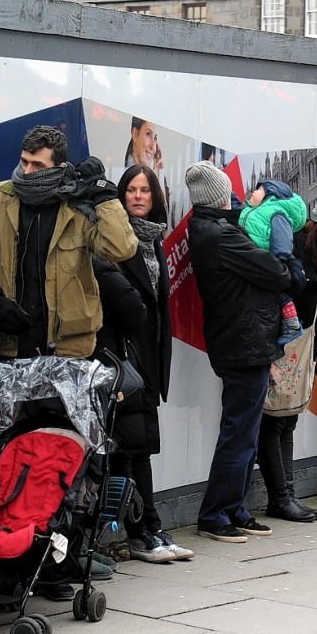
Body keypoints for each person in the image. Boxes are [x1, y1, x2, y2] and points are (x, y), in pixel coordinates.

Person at [185, 161, 303, 542]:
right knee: (239, 433)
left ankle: (234, 507)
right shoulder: (221, 235)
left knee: (245, 433)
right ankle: (216, 513)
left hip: (243, 340)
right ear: (220, 197)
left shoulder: (213, 227)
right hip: (243, 342)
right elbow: (278, 273)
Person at [0, 125, 137, 364]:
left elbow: (121, 248)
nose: (28, 171)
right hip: (8, 345)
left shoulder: (79, 205)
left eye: (38, 165)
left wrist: (105, 197)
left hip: (67, 351)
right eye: (24, 162)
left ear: (59, 168)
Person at [98, 165, 193, 562]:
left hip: (148, 357)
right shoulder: (112, 243)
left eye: (145, 191)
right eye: (131, 191)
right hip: (123, 359)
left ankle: (149, 527)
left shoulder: (155, 241)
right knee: (128, 448)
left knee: (142, 447)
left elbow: (158, 307)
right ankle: (136, 531)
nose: (138, 196)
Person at [259, 197, 317, 523]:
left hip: (305, 345)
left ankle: (286, 495)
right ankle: (281, 497)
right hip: (285, 345)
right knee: (275, 420)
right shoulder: (297, 250)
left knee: (288, 419)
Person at [240, 179, 309, 345]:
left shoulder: (276, 212)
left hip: (268, 258)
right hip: (254, 257)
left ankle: (292, 322)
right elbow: (236, 207)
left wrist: (280, 257)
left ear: (271, 194)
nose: (253, 192)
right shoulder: (252, 210)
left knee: (280, 294)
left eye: (258, 190)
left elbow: (282, 237)